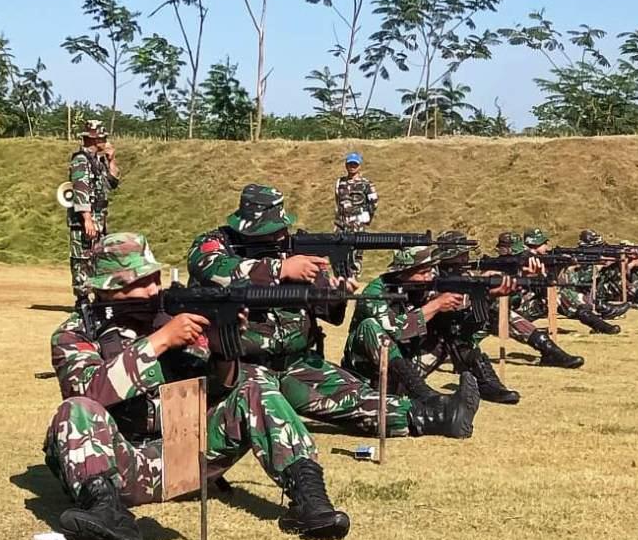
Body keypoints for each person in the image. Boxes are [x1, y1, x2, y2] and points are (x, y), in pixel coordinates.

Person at [44, 233, 350, 540]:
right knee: (75, 409)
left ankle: (310, 499)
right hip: (121, 466)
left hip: (184, 458)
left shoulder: (172, 316)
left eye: (154, 278)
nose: (152, 290)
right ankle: (105, 512)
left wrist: (222, 346)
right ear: (104, 287)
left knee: (255, 380)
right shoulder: (74, 334)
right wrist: (160, 341)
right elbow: (90, 391)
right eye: (139, 282)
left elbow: (224, 386)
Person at [187, 184, 479, 439]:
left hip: (296, 363)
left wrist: (336, 292)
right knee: (268, 407)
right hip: (241, 368)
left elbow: (329, 313)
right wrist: (281, 269)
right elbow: (214, 270)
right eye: (272, 231)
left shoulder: (291, 253)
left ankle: (438, 414)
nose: (280, 236)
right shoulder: (215, 244)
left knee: (356, 398)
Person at [343, 244, 520, 405]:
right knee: (370, 325)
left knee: (449, 321)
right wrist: (435, 306)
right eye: (423, 272)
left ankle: (484, 382)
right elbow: (395, 330)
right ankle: (422, 393)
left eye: (431, 271)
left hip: (406, 371)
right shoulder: (375, 292)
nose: (429, 277)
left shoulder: (425, 288)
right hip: (367, 375)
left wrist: (486, 295)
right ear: (402, 272)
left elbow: (466, 325)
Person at [487, 233, 585, 369]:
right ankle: (550, 351)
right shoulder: (490, 270)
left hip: (506, 313)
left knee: (549, 299)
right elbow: (494, 299)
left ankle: (550, 351)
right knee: (501, 312)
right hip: (482, 319)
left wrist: (538, 275)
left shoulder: (515, 269)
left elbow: (548, 286)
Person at [521, 227, 620, 335]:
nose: (547, 245)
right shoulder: (524, 259)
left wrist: (560, 266)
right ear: (536, 243)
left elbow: (548, 282)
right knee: (557, 295)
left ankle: (599, 324)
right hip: (519, 309)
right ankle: (600, 322)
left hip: (533, 303)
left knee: (560, 294)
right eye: (544, 243)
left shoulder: (536, 258)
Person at [66, 120, 119, 305]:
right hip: (85, 219)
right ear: (93, 139)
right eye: (102, 138)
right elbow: (81, 189)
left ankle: (98, 297)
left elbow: (112, 182)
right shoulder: (81, 160)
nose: (105, 141)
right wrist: (86, 219)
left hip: (99, 218)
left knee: (98, 257)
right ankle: (82, 299)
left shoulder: (99, 161)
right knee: (82, 258)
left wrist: (112, 160)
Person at [333, 152, 379, 277]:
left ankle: (353, 280)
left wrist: (365, 219)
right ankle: (341, 279)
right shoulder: (340, 182)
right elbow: (338, 201)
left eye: (355, 164)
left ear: (359, 166)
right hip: (341, 225)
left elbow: (374, 203)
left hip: (357, 225)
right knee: (338, 254)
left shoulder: (366, 184)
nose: (352, 166)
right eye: (350, 164)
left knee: (355, 255)